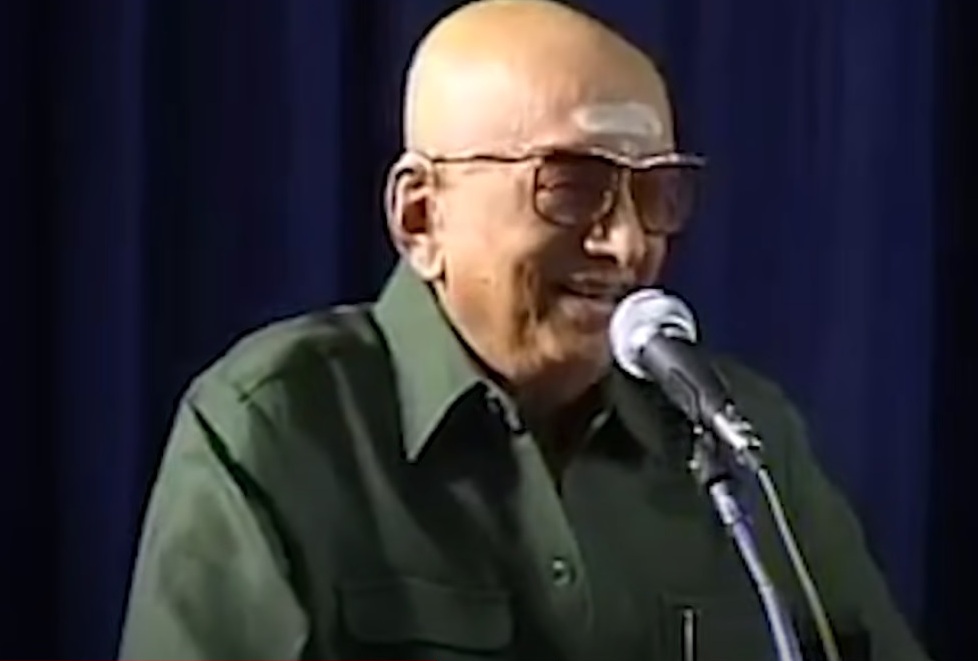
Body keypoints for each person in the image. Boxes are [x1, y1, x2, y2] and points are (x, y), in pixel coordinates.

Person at [118, 1, 932, 659]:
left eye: (656, 192)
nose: (628, 243)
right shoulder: (276, 429)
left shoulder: (736, 435)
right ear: (420, 215)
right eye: (571, 186)